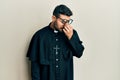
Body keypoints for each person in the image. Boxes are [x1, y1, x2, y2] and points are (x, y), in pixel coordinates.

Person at [26, 4, 84, 80]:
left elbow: (79, 53)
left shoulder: (72, 33)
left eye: (68, 21)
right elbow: (35, 66)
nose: (65, 25)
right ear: (53, 18)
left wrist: (71, 38)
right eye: (63, 21)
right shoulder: (39, 36)